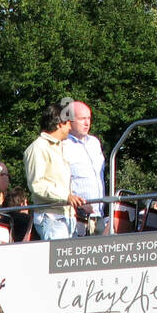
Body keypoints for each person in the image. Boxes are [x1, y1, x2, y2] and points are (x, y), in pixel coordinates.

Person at [24, 103, 83, 240]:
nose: (70, 127)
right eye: (68, 123)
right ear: (59, 124)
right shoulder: (37, 148)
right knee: (60, 261)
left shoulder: (60, 147)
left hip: (66, 218)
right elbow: (37, 185)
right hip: (51, 218)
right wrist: (66, 197)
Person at [63, 100, 105, 235]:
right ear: (70, 121)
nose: (87, 123)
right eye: (82, 119)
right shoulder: (63, 145)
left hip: (98, 215)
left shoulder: (95, 143)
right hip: (77, 216)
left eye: (89, 118)